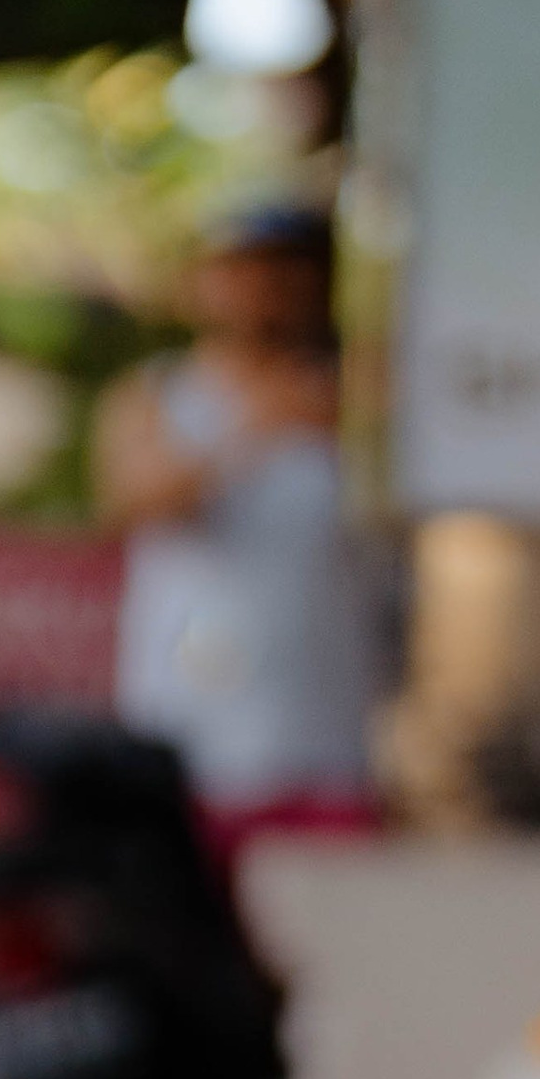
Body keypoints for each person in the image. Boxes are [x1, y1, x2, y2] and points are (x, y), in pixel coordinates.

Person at [93, 205, 380, 867]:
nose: (266, 292)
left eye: (286, 273)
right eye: (245, 272)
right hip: (194, 734)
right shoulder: (156, 395)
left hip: (328, 735)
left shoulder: (353, 399)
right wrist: (250, 432)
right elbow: (128, 505)